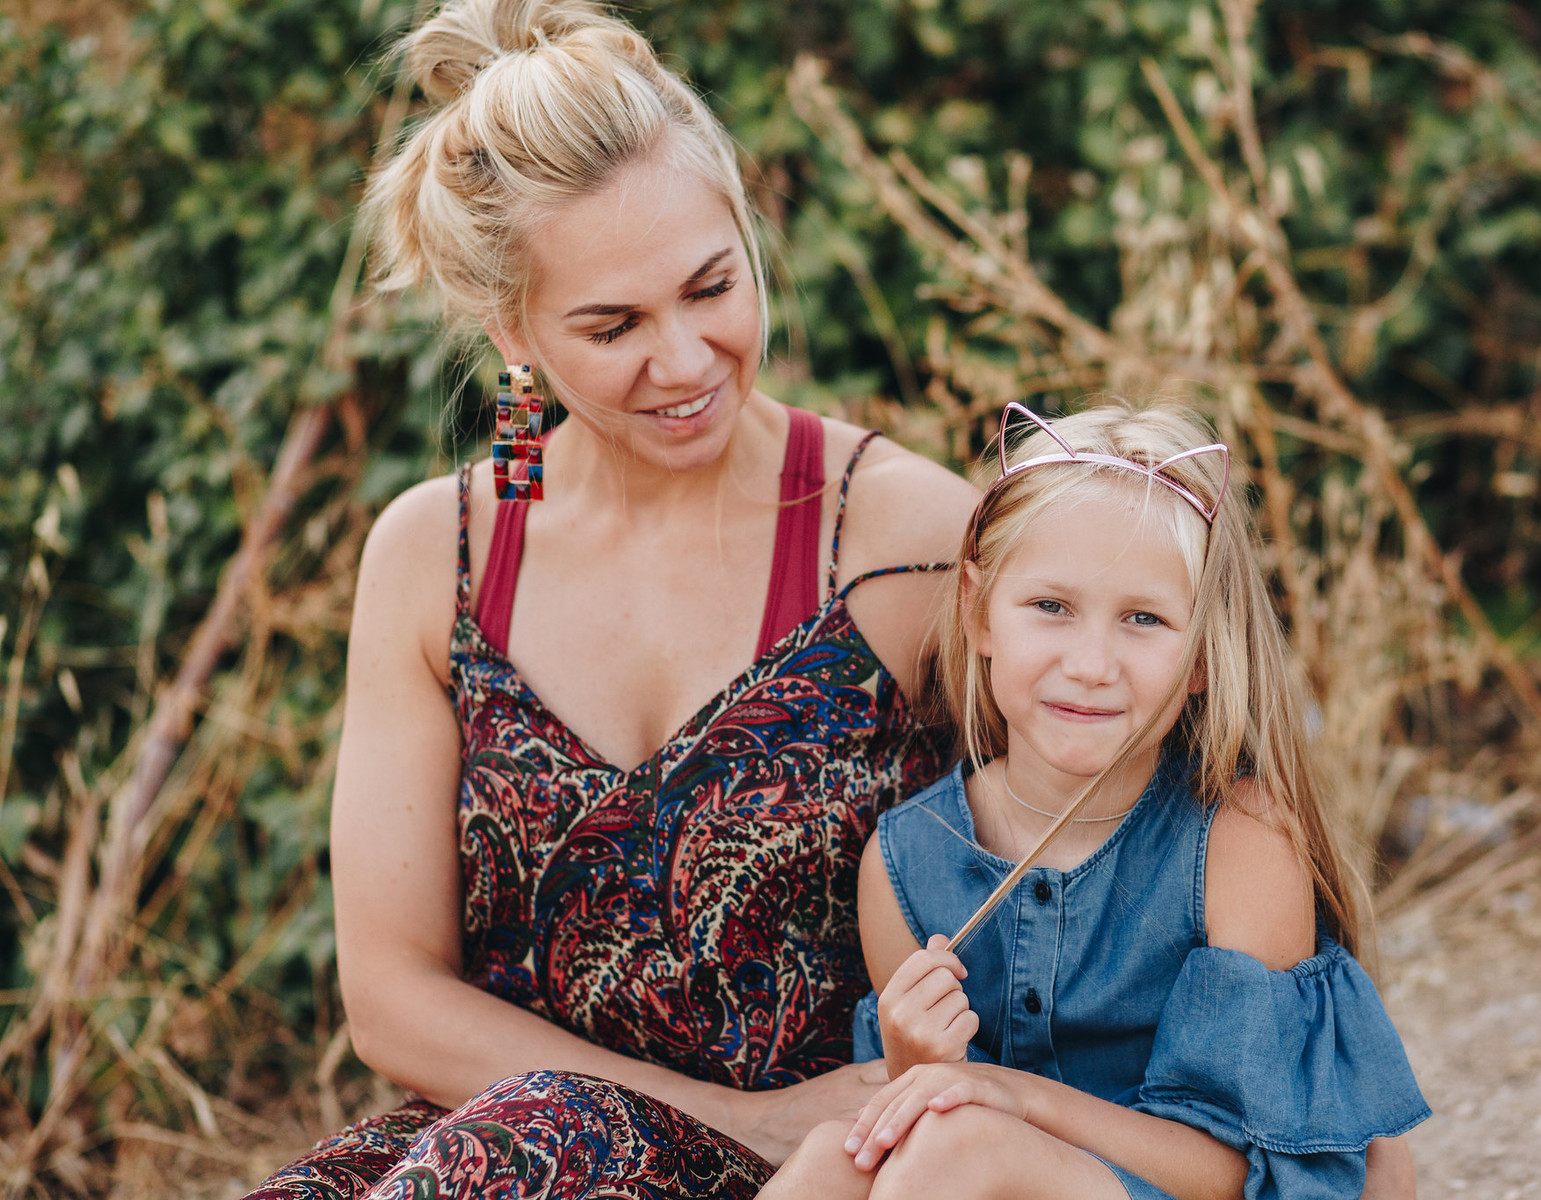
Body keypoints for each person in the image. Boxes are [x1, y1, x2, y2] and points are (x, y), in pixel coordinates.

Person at [243, 1, 976, 1196]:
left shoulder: (900, 536)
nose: (684, 360)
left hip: (828, 1171)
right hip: (513, 1153)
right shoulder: (442, 553)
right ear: (510, 332)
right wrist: (738, 1116)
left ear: (746, 235)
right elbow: (393, 1001)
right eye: (612, 325)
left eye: (710, 287)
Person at [759, 402, 1430, 1200]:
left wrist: (1011, 1098)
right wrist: (916, 1069)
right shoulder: (908, 863)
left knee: (965, 1143)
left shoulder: (1236, 841)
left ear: (1202, 659)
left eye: (1143, 619)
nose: (1090, 663)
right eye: (1051, 607)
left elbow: (1227, 1168)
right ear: (978, 611)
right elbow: (915, 1131)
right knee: (836, 1157)